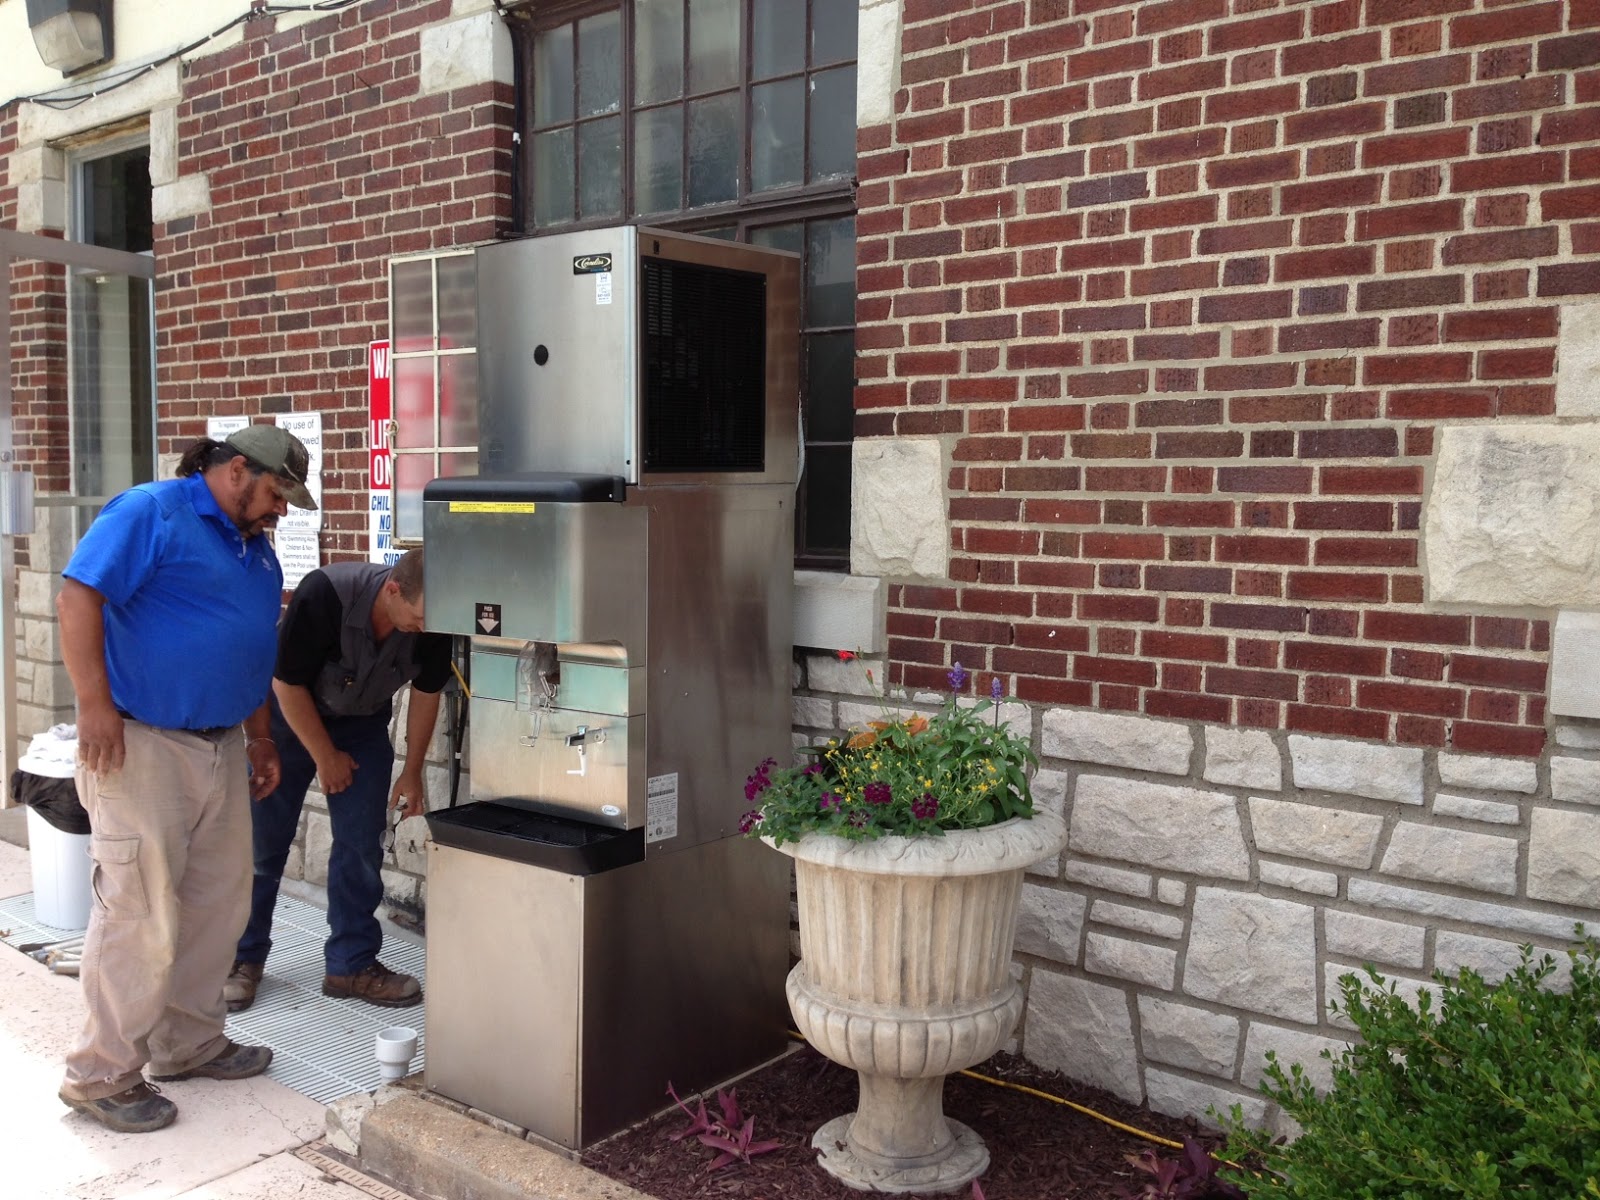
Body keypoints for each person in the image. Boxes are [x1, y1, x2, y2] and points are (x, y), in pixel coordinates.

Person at [56, 423, 316, 1134]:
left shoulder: (254, 549)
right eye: (274, 493)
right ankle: (101, 1074)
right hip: (141, 745)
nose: (281, 512)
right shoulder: (152, 512)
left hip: (221, 746)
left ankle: (187, 1042)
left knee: (216, 903)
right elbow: (79, 596)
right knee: (139, 912)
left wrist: (261, 738)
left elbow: (250, 645)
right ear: (236, 471)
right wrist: (94, 707)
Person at [224, 547, 449, 1013]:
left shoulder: (434, 619)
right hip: (289, 719)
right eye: (419, 616)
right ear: (392, 590)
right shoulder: (325, 593)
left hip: (363, 722)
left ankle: (351, 964)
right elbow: (285, 683)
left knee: (361, 844)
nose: (424, 628)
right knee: (263, 844)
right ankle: (241, 959)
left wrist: (413, 772)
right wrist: (324, 756)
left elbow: (428, 694)